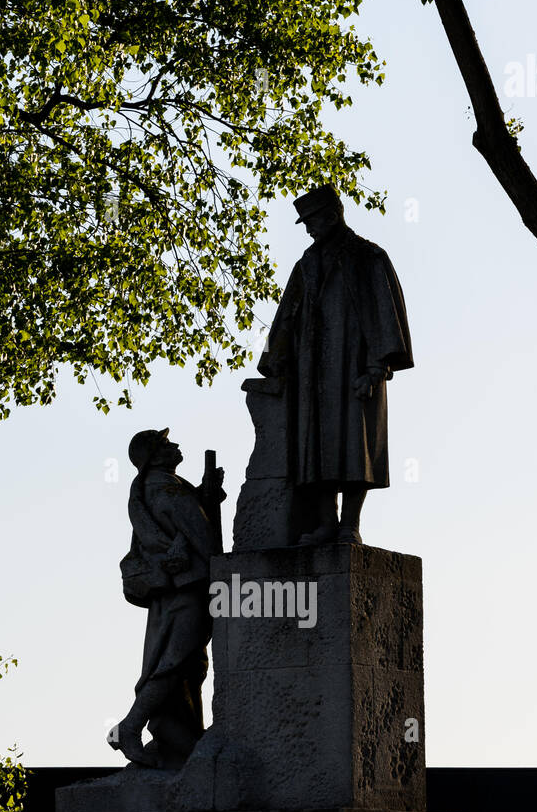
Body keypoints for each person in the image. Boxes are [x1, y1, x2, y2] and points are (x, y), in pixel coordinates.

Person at [256, 183, 413, 544]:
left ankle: (350, 526)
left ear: (332, 216)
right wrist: (276, 361)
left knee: (357, 450)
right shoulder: (307, 264)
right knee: (316, 450)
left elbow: (387, 318)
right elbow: (286, 317)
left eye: (311, 221)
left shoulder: (368, 257)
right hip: (312, 372)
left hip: (355, 369)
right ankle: (327, 523)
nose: (308, 229)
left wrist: (377, 368)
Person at [108, 429, 223, 769]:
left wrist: (205, 495)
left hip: (177, 590)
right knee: (174, 662)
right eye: (167, 443)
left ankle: (177, 742)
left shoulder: (163, 488)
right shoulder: (166, 491)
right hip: (188, 590)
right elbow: (201, 538)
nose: (175, 446)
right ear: (155, 456)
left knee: (188, 666)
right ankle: (129, 727)